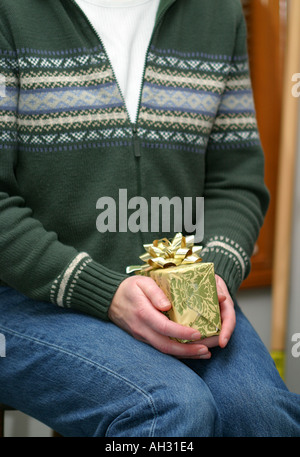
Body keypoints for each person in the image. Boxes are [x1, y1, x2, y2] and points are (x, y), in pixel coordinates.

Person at [0, 0, 299, 437]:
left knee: (265, 419)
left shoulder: (217, 12)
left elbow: (235, 183)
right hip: (24, 295)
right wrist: (104, 293)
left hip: (178, 297)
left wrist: (212, 277)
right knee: (170, 412)